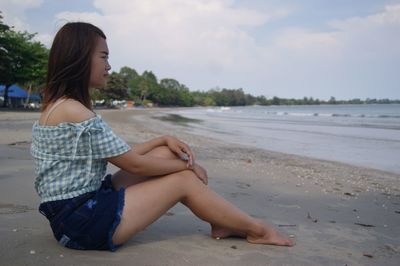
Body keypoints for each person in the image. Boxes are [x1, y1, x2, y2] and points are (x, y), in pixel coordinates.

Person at [31, 22, 294, 251]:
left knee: (166, 153)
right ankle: (258, 230)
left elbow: (122, 154)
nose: (109, 66)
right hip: (80, 223)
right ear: (79, 58)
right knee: (183, 181)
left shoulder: (64, 105)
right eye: (104, 57)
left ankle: (220, 221)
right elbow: (134, 164)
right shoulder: (73, 110)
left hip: (80, 207)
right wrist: (189, 167)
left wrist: (161, 140)